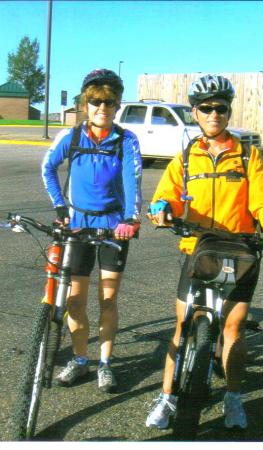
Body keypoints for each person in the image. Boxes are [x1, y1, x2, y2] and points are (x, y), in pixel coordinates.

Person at [145, 74, 263, 430]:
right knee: (181, 326)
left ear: (228, 112)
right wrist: (162, 206)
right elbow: (166, 193)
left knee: (235, 328)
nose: (214, 114)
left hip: (240, 250)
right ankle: (166, 397)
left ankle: (234, 397)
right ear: (195, 112)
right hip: (198, 248)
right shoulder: (186, 157)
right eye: (206, 108)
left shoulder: (246, 154)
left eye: (220, 108)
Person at [41, 69, 142, 392]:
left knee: (108, 300)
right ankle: (81, 359)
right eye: (96, 101)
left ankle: (105, 363)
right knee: (75, 301)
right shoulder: (70, 137)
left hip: (114, 227)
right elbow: (48, 168)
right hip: (78, 225)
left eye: (109, 102)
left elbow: (132, 181)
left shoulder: (126, 140)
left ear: (117, 105)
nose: (102, 107)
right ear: (86, 103)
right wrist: (60, 207)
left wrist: (130, 219)